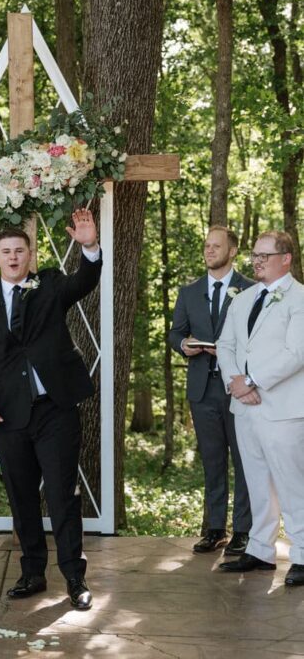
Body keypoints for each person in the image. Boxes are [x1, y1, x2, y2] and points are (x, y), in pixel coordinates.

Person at [0, 210, 102, 611]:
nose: (13, 257)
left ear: (29, 254)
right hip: (7, 416)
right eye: (5, 251)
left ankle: (75, 578)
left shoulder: (51, 284)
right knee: (21, 498)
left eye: (19, 250)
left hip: (55, 410)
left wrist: (89, 246)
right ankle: (32, 573)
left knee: (62, 497)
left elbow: (86, 280)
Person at [216, 230, 304, 586]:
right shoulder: (243, 299)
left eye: (264, 255)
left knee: (291, 483)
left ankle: (301, 554)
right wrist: (235, 383)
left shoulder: (299, 299)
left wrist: (252, 380)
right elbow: (225, 345)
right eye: (254, 255)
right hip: (245, 406)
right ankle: (260, 549)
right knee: (256, 481)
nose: (257, 261)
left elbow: (295, 353)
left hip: (282, 408)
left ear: (286, 258)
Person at [169, 225, 253, 555]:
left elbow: (258, 337)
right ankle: (215, 528)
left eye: (216, 246)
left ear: (232, 251)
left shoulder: (249, 289)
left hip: (238, 390)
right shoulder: (189, 292)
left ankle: (244, 531)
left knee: (244, 462)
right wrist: (184, 344)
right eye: (206, 245)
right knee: (213, 461)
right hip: (202, 389)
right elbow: (175, 334)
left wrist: (233, 352)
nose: (209, 250)